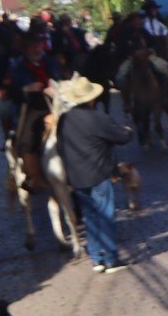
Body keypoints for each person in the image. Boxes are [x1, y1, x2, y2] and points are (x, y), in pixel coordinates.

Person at [55, 76, 134, 274]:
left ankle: (96, 258)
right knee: (105, 215)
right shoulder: (99, 118)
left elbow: (61, 147)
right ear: (91, 99)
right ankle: (110, 259)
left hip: (77, 177)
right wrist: (128, 131)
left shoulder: (65, 119)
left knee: (89, 217)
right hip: (99, 175)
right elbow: (122, 137)